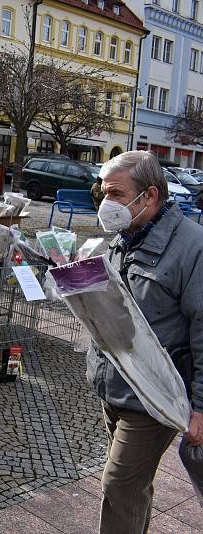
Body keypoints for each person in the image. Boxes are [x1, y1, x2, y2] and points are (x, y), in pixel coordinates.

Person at [90, 150, 203, 534]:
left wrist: (201, 407)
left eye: (117, 194)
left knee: (118, 483)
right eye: (103, 194)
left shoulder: (193, 247)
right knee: (132, 487)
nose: (107, 204)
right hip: (116, 384)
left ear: (150, 195)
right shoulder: (126, 235)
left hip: (157, 393)